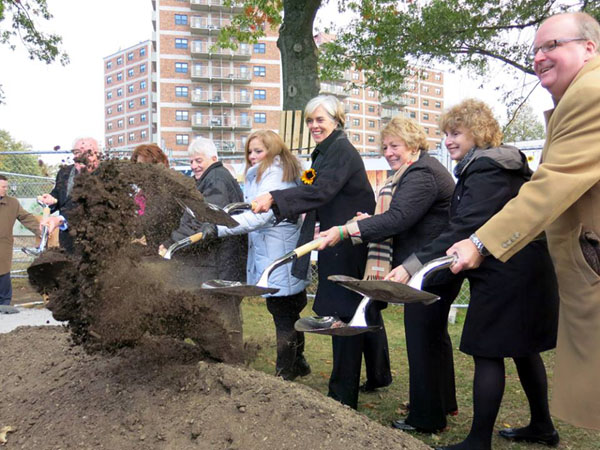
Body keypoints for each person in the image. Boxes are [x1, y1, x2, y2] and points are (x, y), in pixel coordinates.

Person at [446, 12, 600, 432]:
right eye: (535, 49)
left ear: (589, 47)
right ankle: (541, 427)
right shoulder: (574, 98)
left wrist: (477, 243)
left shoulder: (592, 93)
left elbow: (550, 186)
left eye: (553, 45)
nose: (540, 56)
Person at [386, 99, 559, 450]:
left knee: (488, 352)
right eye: (445, 134)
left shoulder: (486, 169)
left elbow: (465, 226)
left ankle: (478, 441)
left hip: (504, 272)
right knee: (524, 350)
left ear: (478, 132)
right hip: (526, 267)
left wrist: (410, 266)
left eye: (456, 133)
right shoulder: (500, 165)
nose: (448, 141)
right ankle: (542, 425)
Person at [317, 116, 461, 433]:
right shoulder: (415, 171)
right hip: (434, 263)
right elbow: (406, 216)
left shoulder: (422, 172)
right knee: (435, 337)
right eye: (384, 146)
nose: (388, 152)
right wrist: (369, 219)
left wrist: (345, 230)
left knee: (423, 339)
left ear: (413, 143)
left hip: (429, 266)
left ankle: (426, 418)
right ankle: (442, 403)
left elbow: (398, 219)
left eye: (394, 145)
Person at [251, 95, 384, 409]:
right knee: (366, 308)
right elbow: (315, 190)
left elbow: (320, 191)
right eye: (310, 120)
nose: (314, 125)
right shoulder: (324, 151)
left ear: (336, 120)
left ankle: (342, 394)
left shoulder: (340, 150)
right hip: (336, 237)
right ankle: (379, 375)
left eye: (320, 119)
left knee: (342, 315)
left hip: (345, 240)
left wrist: (274, 196)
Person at [202, 130, 311, 380]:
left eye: (258, 151)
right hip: (276, 250)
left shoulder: (275, 174)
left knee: (283, 312)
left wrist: (219, 228)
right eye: (250, 151)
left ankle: (285, 373)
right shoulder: (268, 172)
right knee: (288, 310)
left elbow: (260, 216)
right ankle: (298, 362)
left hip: (278, 252)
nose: (252, 156)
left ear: (272, 150)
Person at [159, 137, 247, 283]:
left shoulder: (216, 179)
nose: (194, 166)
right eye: (191, 161)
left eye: (199, 161)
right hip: (217, 261)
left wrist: (172, 243)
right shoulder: (210, 179)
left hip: (218, 262)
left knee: (215, 302)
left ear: (213, 158)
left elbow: (204, 218)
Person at [38, 137, 100, 252]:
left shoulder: (107, 176)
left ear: (97, 155)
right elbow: (59, 193)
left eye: (88, 152)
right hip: (68, 241)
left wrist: (60, 220)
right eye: (77, 152)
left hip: (95, 244)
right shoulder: (65, 172)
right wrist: (51, 199)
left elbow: (96, 209)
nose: (81, 157)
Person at [0, 175, 41, 307]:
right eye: (2, 186)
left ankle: (5, 302)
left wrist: (40, 231)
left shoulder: (12, 203)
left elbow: (26, 218)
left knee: (3, 272)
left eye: (6, 186)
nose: (5, 189)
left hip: (3, 244)